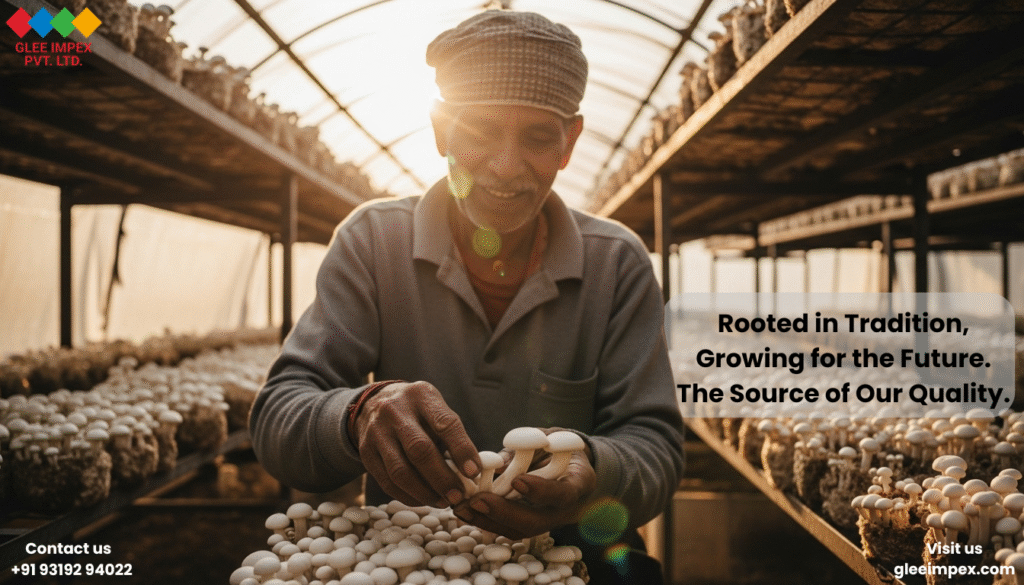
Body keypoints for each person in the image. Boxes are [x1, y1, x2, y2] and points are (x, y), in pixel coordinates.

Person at [249, 10, 684, 584]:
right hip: (413, 551)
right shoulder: (374, 242)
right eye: (478, 132)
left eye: (536, 137)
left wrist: (593, 472)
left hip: (577, 551)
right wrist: (357, 414)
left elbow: (655, 446)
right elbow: (279, 418)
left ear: (569, 143)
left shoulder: (617, 262)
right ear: (441, 131)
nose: (505, 168)